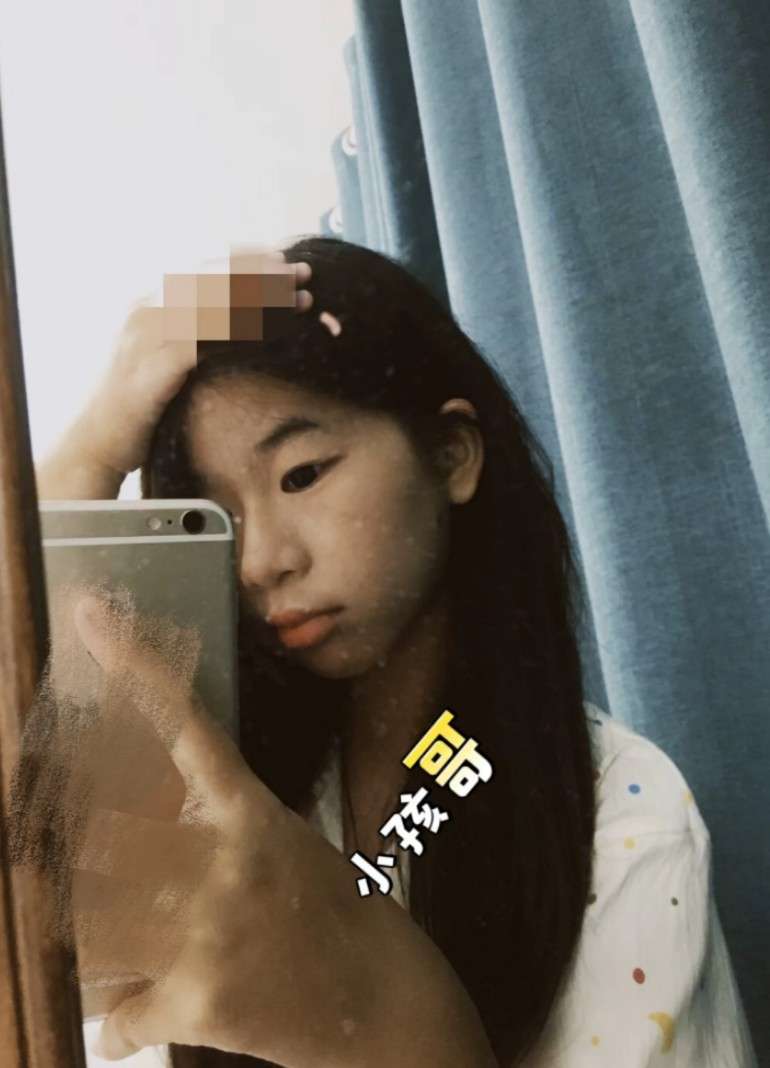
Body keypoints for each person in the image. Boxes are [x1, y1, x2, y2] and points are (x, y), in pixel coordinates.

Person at [36, 237, 757, 1068]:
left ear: (451, 455)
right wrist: (91, 452)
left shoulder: (624, 824)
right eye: (217, 517)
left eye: (302, 474)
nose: (261, 560)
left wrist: (386, 1022)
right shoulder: (235, 786)